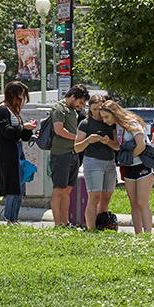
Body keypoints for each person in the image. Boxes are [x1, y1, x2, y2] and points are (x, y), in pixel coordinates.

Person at [103, 100, 154, 234]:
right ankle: (138, 234)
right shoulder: (117, 127)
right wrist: (108, 142)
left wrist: (129, 157)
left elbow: (141, 145)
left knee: (142, 202)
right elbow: (118, 146)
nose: (104, 120)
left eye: (106, 117)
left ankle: (148, 235)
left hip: (142, 166)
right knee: (134, 204)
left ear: (114, 113)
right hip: (128, 168)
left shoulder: (132, 123)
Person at [0, 81, 36, 223]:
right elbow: (6, 131)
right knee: (13, 187)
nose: (22, 99)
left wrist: (28, 129)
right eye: (21, 95)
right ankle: (9, 219)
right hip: (8, 154)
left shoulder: (14, 111)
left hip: (17, 150)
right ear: (13, 95)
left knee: (20, 187)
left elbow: (21, 135)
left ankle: (14, 218)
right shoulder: (3, 109)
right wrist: (23, 127)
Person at [75, 94, 121, 230]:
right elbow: (77, 147)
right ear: (90, 108)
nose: (97, 112)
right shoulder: (85, 123)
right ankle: (91, 229)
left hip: (110, 162)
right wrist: (88, 140)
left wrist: (108, 142)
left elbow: (117, 146)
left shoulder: (110, 122)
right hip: (93, 162)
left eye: (100, 109)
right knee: (94, 197)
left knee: (106, 197)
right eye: (94, 109)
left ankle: (102, 224)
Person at [48, 84, 89, 227]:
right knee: (59, 189)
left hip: (73, 153)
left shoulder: (73, 110)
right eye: (80, 102)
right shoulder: (59, 108)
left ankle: (65, 222)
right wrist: (77, 139)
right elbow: (59, 130)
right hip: (60, 154)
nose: (81, 106)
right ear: (73, 96)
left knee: (67, 190)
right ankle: (57, 223)